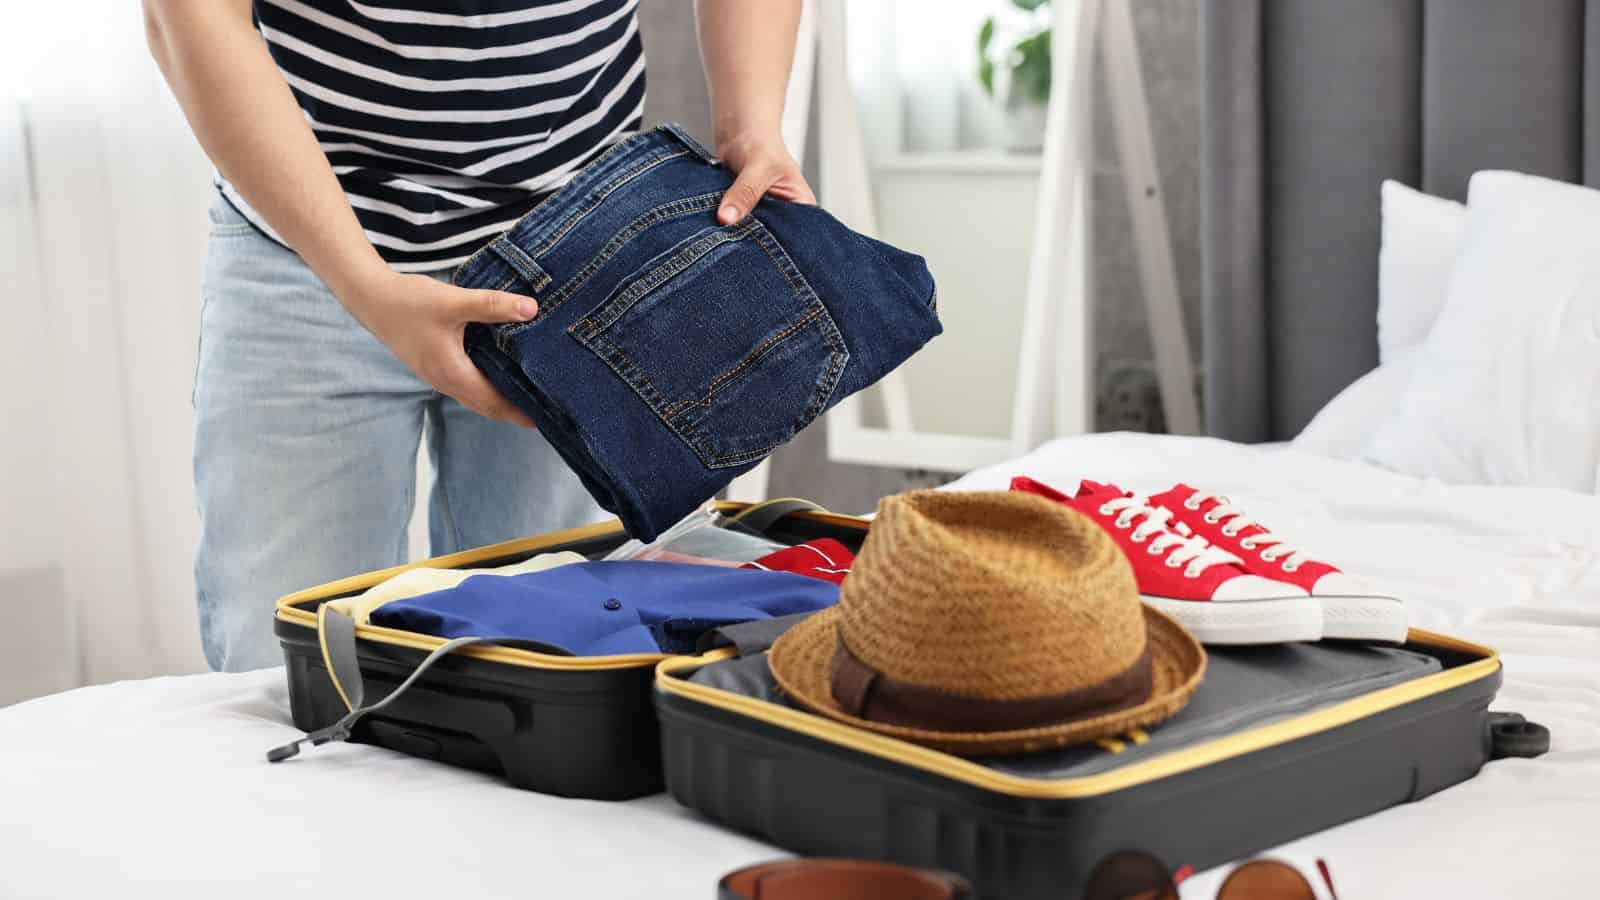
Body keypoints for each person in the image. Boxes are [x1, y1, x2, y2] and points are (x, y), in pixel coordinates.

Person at [142, 0, 815, 672]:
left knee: (574, 651)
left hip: (570, 248)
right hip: (302, 244)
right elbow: (190, 14)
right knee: (285, 666)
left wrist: (752, 124)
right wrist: (364, 284)